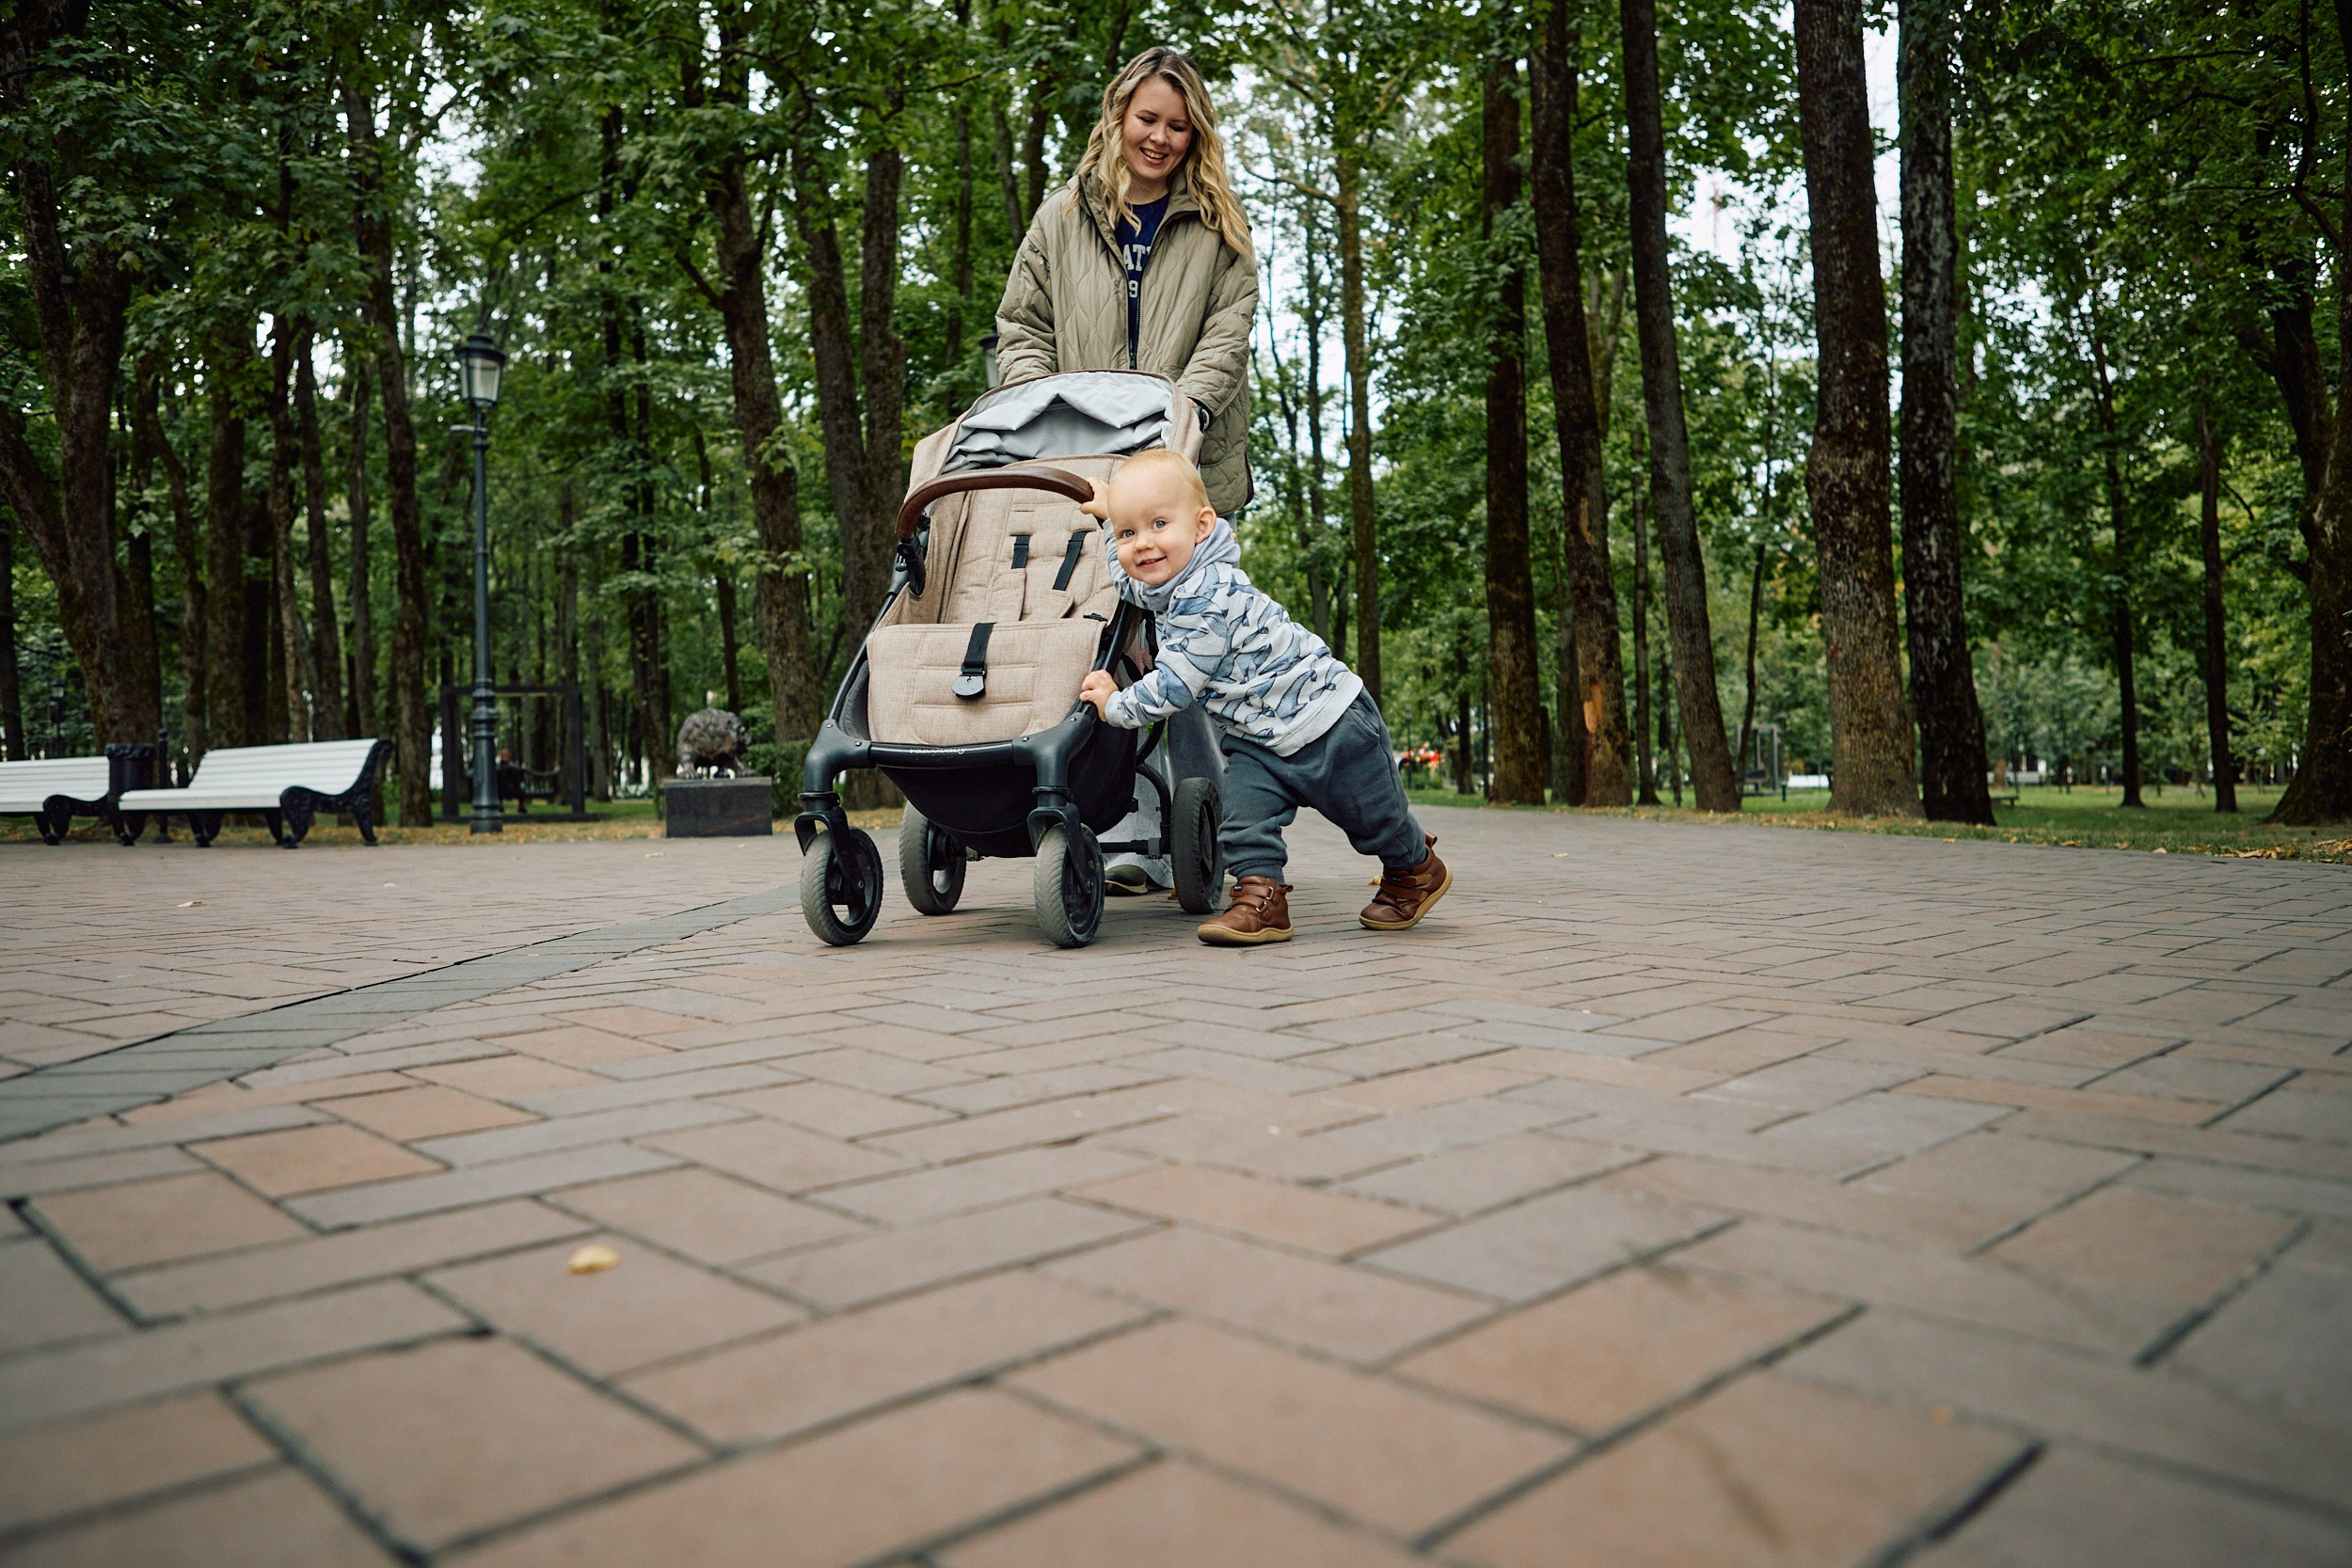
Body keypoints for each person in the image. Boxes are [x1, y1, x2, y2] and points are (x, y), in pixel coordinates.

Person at [994, 44, 1255, 895]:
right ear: (1118, 117)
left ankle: (1220, 828)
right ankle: (1124, 830)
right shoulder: (1061, 217)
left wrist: (1186, 421)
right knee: (1097, 642)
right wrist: (1042, 420)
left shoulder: (1219, 226)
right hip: (1085, 479)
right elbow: (1022, 325)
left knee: (1196, 653)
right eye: (1149, 119)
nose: (1162, 138)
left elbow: (1228, 333)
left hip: (1187, 476)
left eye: (1180, 126)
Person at [1079, 450, 1452, 946]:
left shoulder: (1206, 598)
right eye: (1131, 534)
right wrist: (1110, 524)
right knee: (1243, 816)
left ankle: (1415, 869)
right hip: (1259, 738)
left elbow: (1174, 686)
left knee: (1375, 820)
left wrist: (1112, 704)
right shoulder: (1170, 582)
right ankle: (1261, 899)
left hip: (1329, 721)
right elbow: (1131, 583)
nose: (1142, 544)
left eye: (1158, 524)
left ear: (1203, 526)